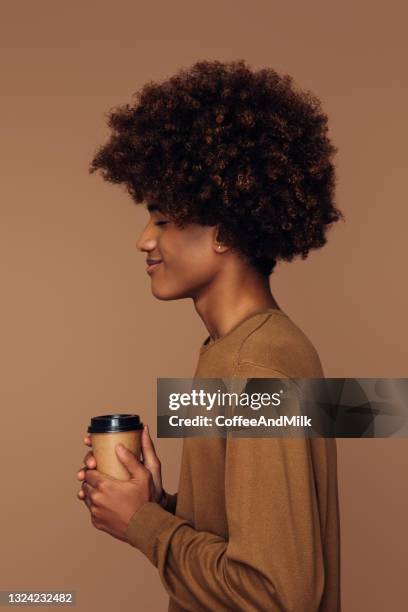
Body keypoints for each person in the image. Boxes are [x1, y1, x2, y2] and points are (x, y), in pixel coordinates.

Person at [76, 59, 343, 611]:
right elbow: (246, 542)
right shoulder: (237, 352)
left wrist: (144, 525)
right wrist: (157, 503)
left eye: (164, 220)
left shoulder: (257, 366)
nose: (144, 240)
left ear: (223, 232)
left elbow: (275, 593)